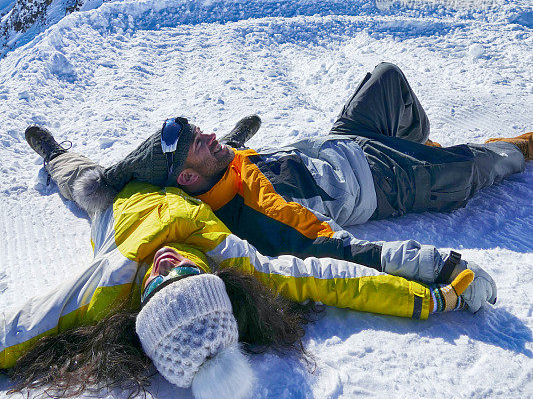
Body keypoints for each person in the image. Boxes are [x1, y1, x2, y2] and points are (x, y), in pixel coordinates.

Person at [2, 148, 484, 399]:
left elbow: (21, 328)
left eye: (156, 287)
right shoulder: (235, 262)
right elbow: (332, 278)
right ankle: (235, 145)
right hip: (180, 190)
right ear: (213, 280)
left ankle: (54, 153)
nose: (167, 266)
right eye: (186, 277)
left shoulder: (107, 284)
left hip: (115, 205)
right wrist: (433, 299)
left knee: (84, 179)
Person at [28, 62, 530, 279]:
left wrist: (55, 156)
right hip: (384, 180)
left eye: (200, 130)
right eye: (195, 145)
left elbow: (89, 181)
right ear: (185, 179)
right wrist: (424, 268)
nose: (206, 135)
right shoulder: (255, 211)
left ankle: (423, 146)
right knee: (478, 166)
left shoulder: (218, 166)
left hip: (342, 139)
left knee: (387, 79)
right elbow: (331, 248)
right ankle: (506, 152)